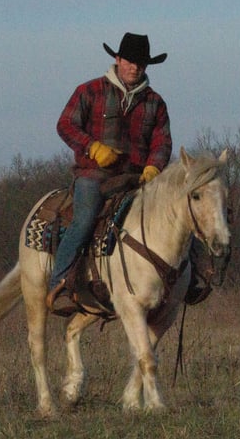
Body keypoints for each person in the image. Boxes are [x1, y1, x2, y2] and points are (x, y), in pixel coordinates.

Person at [46, 32, 172, 312]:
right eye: (129, 61)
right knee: (85, 219)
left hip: (137, 179)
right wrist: (93, 148)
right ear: (117, 59)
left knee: (174, 216)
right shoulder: (90, 91)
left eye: (141, 63)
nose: (134, 68)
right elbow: (65, 125)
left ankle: (187, 280)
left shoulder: (155, 102)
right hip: (94, 176)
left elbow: (162, 141)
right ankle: (60, 283)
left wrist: (154, 167)